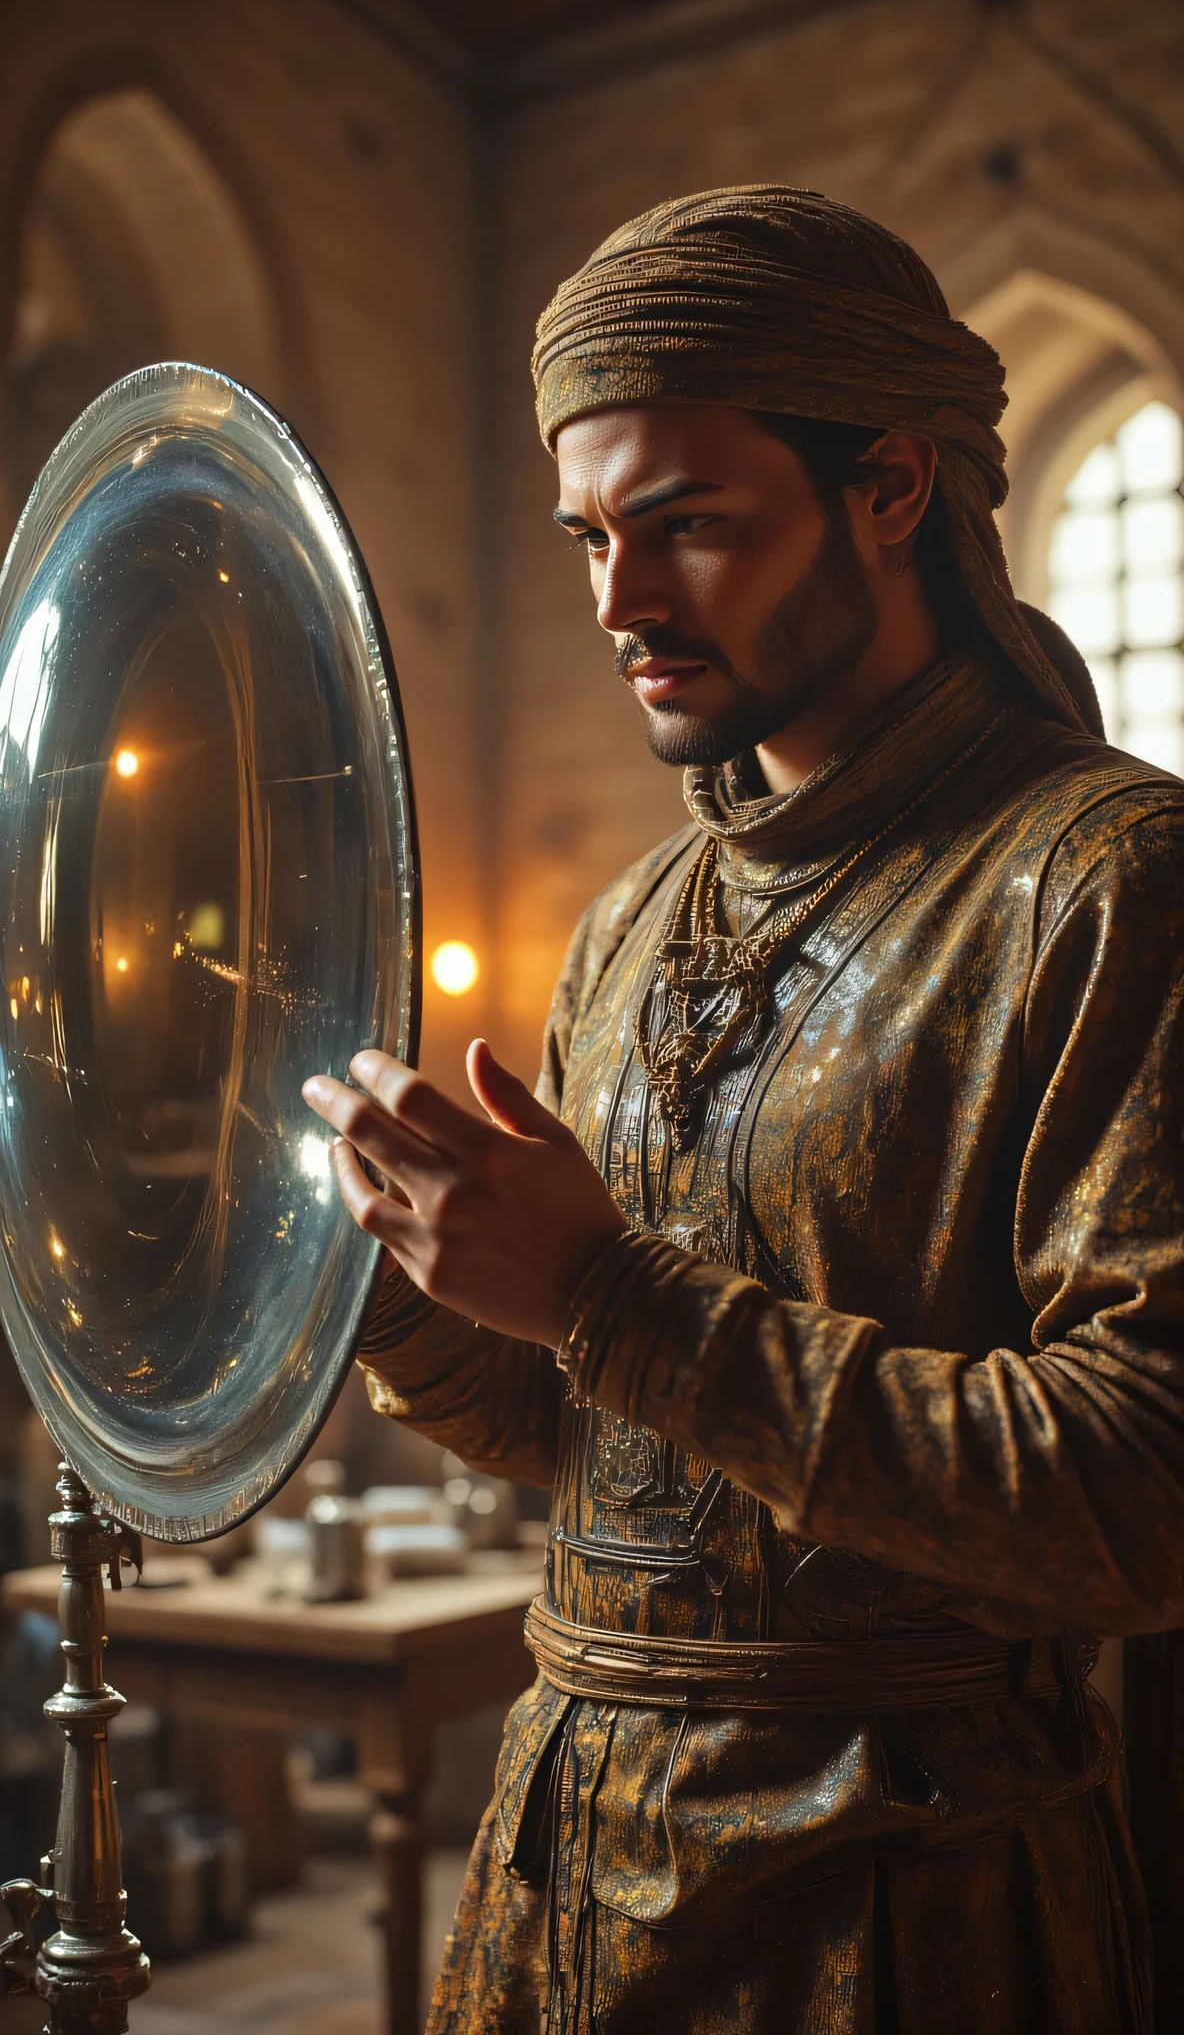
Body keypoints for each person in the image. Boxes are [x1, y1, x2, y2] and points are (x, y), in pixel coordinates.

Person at [302, 187, 1184, 2033]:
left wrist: (608, 1292)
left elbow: (1142, 1494)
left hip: (905, 1910)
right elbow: (597, 1447)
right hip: (561, 1880)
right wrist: (387, 1279)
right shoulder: (632, 919)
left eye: (687, 525)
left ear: (891, 486)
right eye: (589, 536)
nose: (619, 600)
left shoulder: (1108, 879)